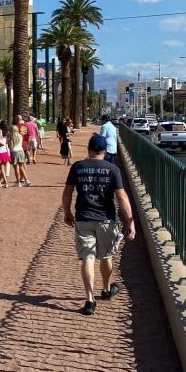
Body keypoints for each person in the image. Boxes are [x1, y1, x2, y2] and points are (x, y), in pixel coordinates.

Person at [62, 135, 136, 315]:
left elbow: (68, 192)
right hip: (106, 219)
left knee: (88, 257)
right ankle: (106, 289)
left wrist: (67, 212)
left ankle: (89, 300)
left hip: (83, 217)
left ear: (89, 149)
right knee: (106, 256)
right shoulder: (112, 169)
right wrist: (130, 222)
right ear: (104, 151)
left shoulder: (77, 167)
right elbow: (122, 197)